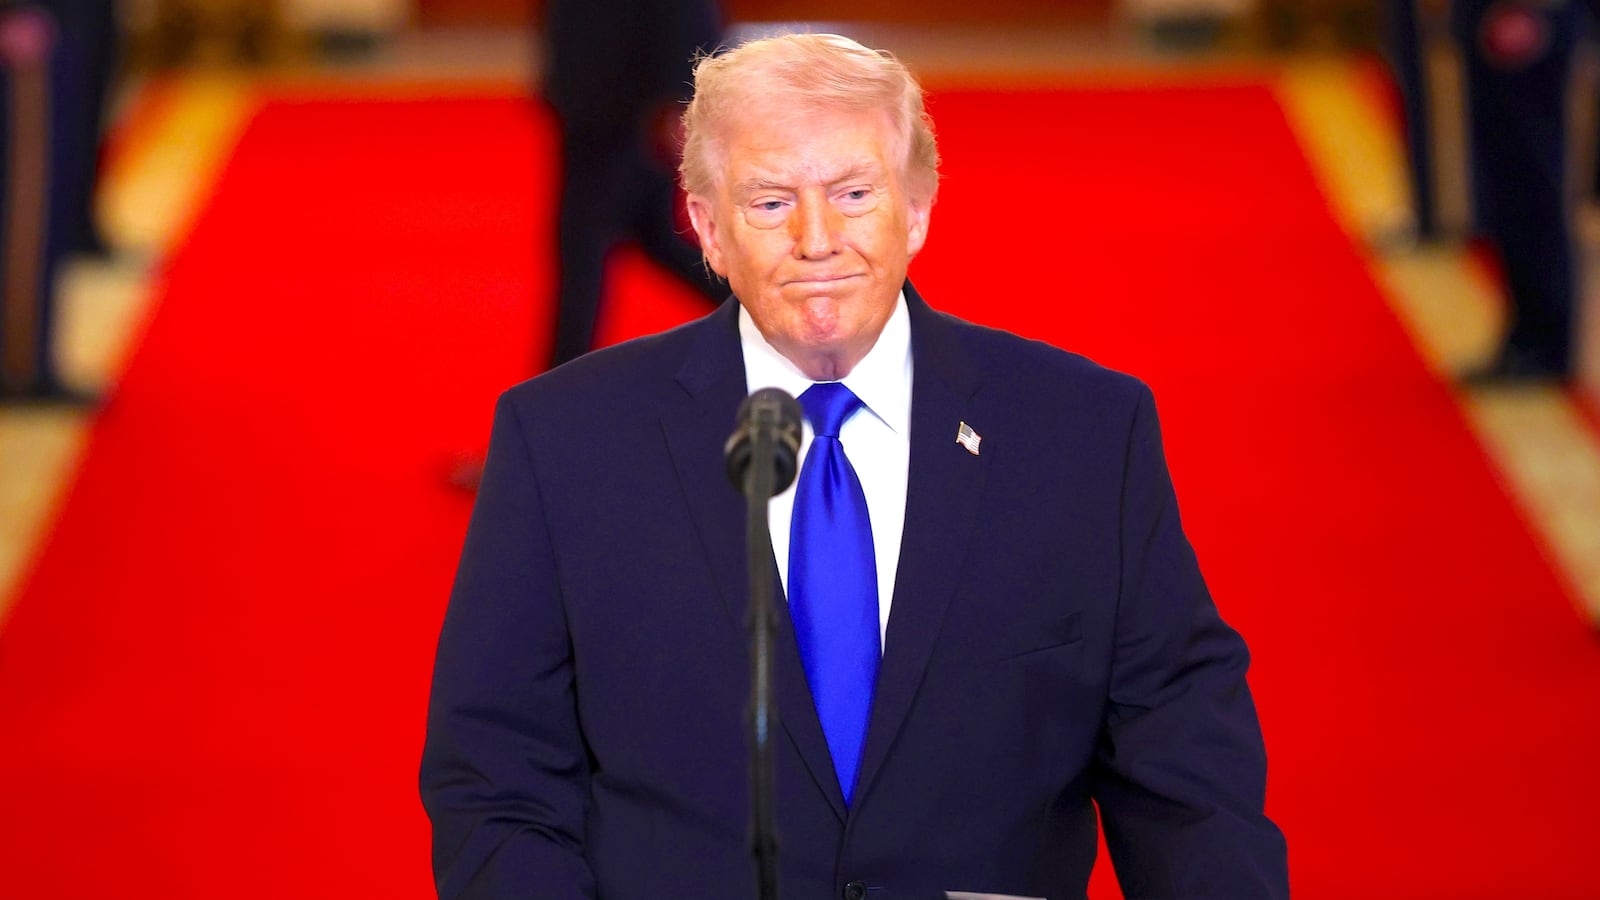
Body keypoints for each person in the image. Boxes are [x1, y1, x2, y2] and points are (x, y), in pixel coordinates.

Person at [421, 32, 1288, 899]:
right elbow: (497, 779)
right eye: (770, 202)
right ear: (708, 230)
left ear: (917, 209)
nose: (817, 239)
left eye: (854, 194)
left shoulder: (1087, 432)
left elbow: (1183, 771)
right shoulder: (561, 441)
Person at [540, 0, 726, 370]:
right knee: (650, 235)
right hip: (598, 98)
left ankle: (564, 375)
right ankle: (758, 308)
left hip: (624, 103)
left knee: (584, 247)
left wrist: (678, 95)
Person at [1453, 0, 1597, 383]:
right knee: (1507, 171)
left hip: (1531, 10)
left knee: (1529, 173)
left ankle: (1545, 338)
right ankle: (1528, 331)